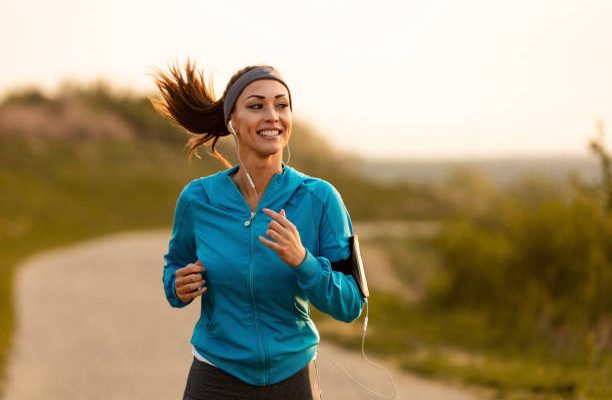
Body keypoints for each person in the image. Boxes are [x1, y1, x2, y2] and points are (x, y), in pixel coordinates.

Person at [152, 60, 366, 400]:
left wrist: (303, 261)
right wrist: (177, 286)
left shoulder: (320, 198)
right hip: (215, 374)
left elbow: (351, 303)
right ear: (232, 121)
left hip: (291, 377)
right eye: (256, 106)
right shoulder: (198, 199)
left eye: (282, 105)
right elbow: (173, 272)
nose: (272, 115)